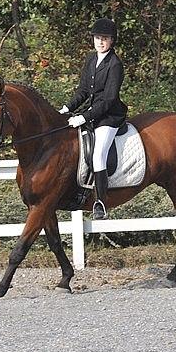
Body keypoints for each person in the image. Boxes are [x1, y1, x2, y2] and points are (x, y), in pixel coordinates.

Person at [59, 18, 128, 220]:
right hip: (90, 113)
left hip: (109, 116)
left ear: (112, 41)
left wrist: (83, 116)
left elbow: (108, 100)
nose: (100, 42)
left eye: (104, 39)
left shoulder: (115, 65)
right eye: (98, 38)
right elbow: (83, 91)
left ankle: (101, 203)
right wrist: (67, 108)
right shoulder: (91, 59)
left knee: (98, 155)